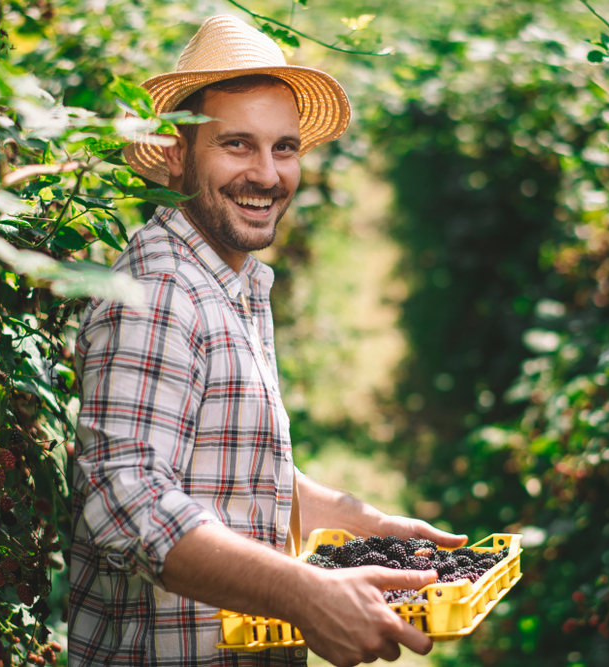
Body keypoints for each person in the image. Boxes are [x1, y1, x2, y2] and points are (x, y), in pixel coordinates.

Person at [68, 15, 467, 667]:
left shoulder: (229, 283)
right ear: (176, 152)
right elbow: (124, 498)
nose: (267, 174)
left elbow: (225, 470)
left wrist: (356, 522)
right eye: (237, 145)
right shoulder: (160, 291)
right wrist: (305, 593)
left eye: (284, 148)